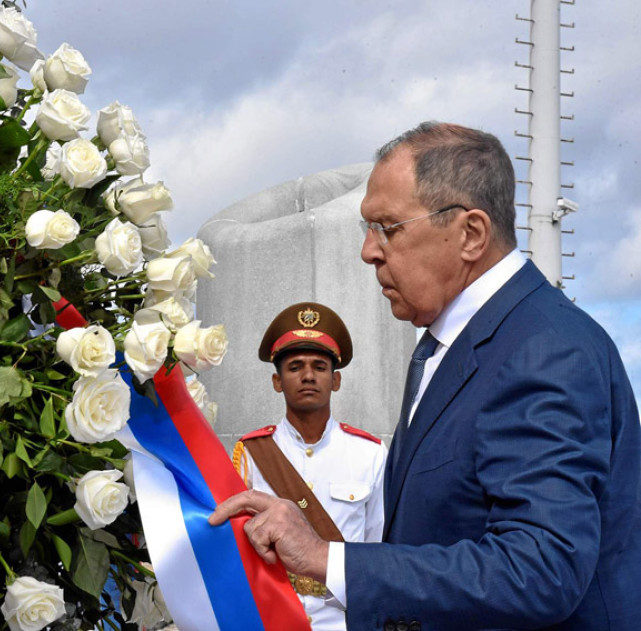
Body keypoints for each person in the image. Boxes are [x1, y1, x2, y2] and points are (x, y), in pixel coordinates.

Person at [211, 121, 641, 631]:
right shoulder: (448, 346)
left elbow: (540, 570)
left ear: (470, 234)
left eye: (387, 227)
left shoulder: (544, 349)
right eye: (366, 228)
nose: (369, 251)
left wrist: (328, 559)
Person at [231, 301, 386, 630]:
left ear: (336, 380)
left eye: (319, 366)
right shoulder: (251, 452)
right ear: (277, 381)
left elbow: (378, 546)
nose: (307, 376)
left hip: (346, 619)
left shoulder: (369, 453)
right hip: (271, 616)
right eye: (295, 366)